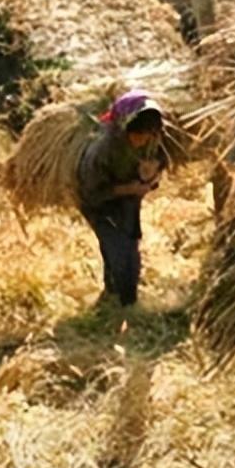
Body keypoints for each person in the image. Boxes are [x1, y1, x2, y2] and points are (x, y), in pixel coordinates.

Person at [77, 91, 169, 307]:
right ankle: (127, 306)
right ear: (123, 128)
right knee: (119, 251)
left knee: (129, 248)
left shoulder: (153, 139)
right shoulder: (102, 151)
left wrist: (152, 174)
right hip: (100, 205)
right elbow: (90, 193)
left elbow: (161, 160)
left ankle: (113, 297)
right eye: (138, 135)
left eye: (147, 135)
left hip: (129, 201)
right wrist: (127, 189)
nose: (142, 140)